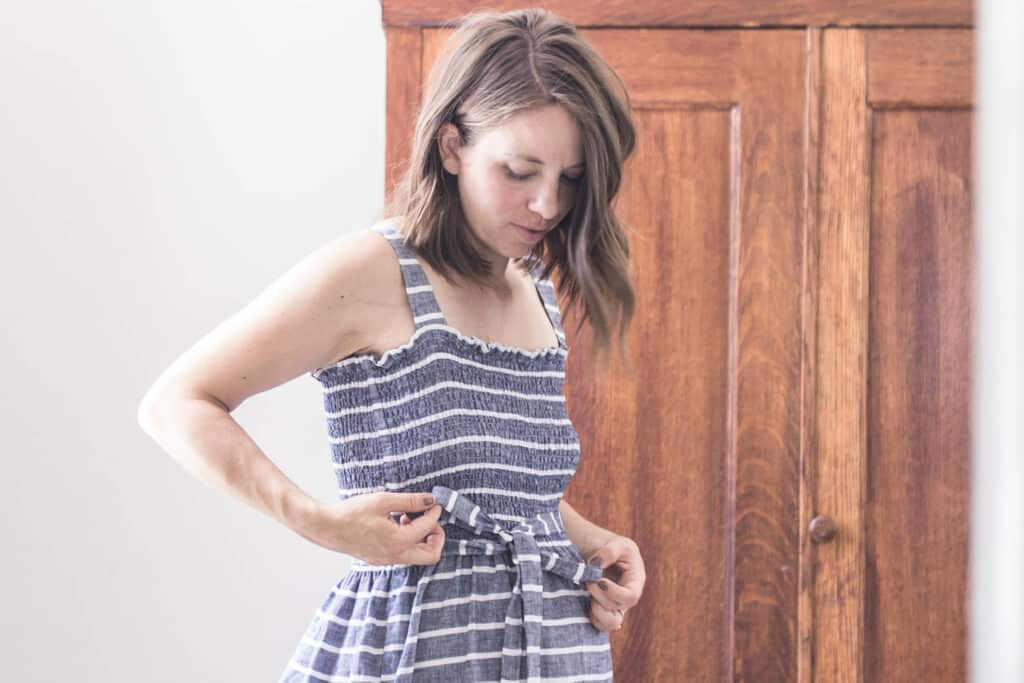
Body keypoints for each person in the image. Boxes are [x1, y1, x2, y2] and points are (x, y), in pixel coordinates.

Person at [138, 8, 646, 681]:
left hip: (557, 651)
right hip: (411, 657)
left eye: (571, 178)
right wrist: (322, 521)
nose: (547, 205)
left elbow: (501, 491)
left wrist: (596, 544)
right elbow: (176, 403)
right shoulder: (373, 273)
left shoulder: (535, 289)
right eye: (520, 170)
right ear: (452, 146)